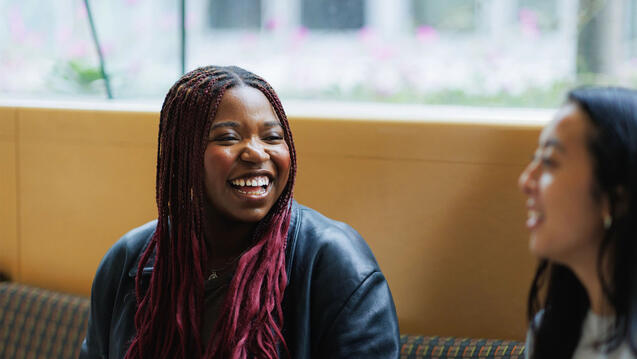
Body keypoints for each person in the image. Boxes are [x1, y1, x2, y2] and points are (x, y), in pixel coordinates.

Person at [79, 66, 400, 359]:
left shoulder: (333, 261)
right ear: (184, 155)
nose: (257, 152)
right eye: (229, 138)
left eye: (273, 137)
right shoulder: (129, 261)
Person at [519, 87, 637, 359]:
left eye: (548, 161)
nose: (525, 181)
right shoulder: (549, 331)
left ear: (616, 200)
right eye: (533, 159)